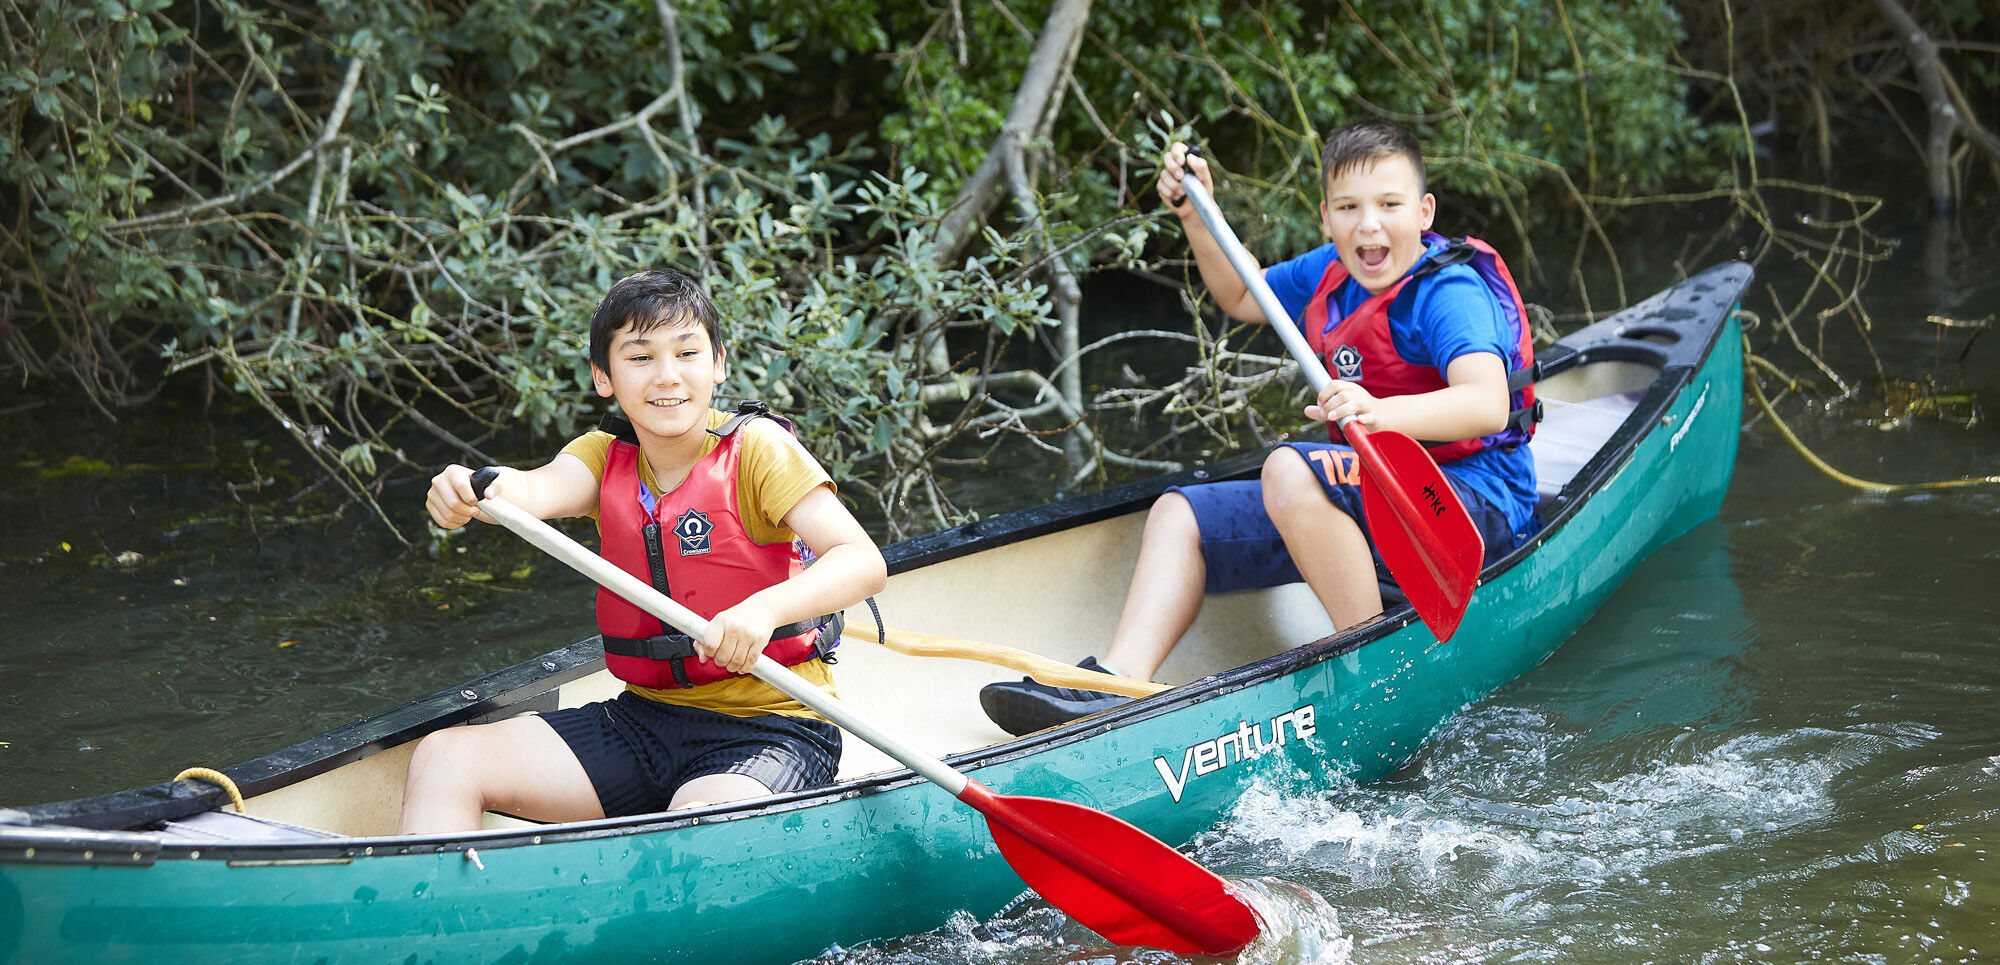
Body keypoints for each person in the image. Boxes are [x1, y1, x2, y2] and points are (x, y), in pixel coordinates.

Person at [980, 119, 1540, 736]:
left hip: (1470, 502)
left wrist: (1377, 412)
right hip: (1376, 496)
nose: (1369, 225)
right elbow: (1244, 297)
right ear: (1326, 217)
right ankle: (1116, 682)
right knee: (1180, 514)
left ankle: (1373, 674)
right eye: (1349, 208)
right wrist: (1198, 213)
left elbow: (1486, 403)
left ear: (1424, 211)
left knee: (1288, 467)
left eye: (1389, 205)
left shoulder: (1446, 292)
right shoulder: (1331, 271)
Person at [402, 268, 887, 833]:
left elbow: (863, 560)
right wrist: (473, 487)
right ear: (603, 377)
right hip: (642, 721)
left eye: (687, 353)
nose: (667, 377)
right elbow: (529, 489)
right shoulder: (605, 455)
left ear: (719, 364)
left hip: (772, 727)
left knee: (699, 824)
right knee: (445, 756)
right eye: (639, 358)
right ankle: (428, 914)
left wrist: (766, 610)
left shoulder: (758, 450)